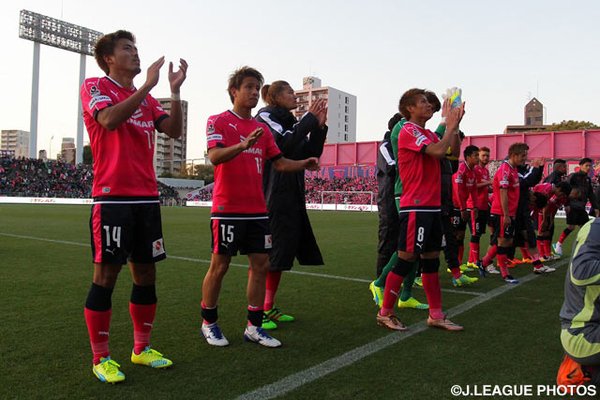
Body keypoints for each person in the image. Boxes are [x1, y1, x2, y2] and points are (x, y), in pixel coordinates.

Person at [80, 30, 188, 383]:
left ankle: (141, 350)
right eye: (128, 49)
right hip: (112, 198)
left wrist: (172, 91)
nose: (136, 54)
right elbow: (108, 120)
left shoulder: (150, 99)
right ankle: (101, 358)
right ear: (109, 58)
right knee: (106, 276)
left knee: (146, 274)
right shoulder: (95, 85)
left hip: (146, 198)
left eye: (137, 48)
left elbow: (172, 131)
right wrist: (146, 88)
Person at [200, 67, 319, 348]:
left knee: (261, 265)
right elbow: (215, 156)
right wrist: (242, 146)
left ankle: (254, 327)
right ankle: (209, 322)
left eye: (257, 88)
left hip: (257, 209)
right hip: (227, 208)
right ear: (234, 91)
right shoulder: (218, 121)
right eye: (250, 87)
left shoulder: (262, 129)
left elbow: (278, 162)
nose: (254, 93)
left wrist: (303, 163)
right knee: (220, 265)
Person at [376, 88, 464, 331]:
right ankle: (385, 312)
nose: (429, 106)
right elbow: (437, 151)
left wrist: (453, 127)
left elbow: (452, 153)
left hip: (432, 206)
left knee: (431, 260)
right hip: (415, 206)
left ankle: (436, 314)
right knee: (406, 258)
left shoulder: (426, 133)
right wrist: (448, 125)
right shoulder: (407, 129)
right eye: (423, 102)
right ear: (409, 109)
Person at [255, 80, 328, 330]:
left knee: (282, 254)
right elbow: (282, 145)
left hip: (292, 193)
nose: (294, 96)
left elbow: (310, 151)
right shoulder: (265, 116)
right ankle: (257, 312)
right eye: (289, 92)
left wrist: (319, 126)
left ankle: (268, 306)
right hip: (272, 194)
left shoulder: (290, 123)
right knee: (268, 256)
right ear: (274, 97)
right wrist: (308, 118)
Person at [557, 217, 600, 387]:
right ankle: (587, 370)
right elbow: (581, 273)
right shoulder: (596, 227)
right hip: (583, 332)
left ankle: (589, 368)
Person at [482, 143, 529, 283]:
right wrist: (506, 215)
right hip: (501, 213)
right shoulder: (505, 170)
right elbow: (503, 193)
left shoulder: (513, 169)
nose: (525, 159)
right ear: (514, 155)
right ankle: (505, 273)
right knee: (503, 242)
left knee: (506, 241)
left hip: (510, 212)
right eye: (523, 156)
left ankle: (483, 262)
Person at [374, 113, 404, 277]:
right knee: (388, 238)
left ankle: (399, 276)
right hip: (389, 199)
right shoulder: (385, 146)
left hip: (403, 197)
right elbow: (392, 167)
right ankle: (380, 280)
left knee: (404, 240)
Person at [554, 158, 600, 256]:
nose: (588, 168)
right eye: (586, 165)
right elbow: (564, 188)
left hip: (581, 207)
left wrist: (596, 207)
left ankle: (585, 248)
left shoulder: (587, 179)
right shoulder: (573, 176)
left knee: (585, 228)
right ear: (580, 166)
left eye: (590, 166)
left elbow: (591, 194)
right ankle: (558, 244)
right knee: (571, 227)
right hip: (572, 206)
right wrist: (566, 204)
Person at [468, 146, 493, 272]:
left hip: (484, 205)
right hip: (475, 205)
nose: (486, 158)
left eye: (487, 156)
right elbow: (474, 185)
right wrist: (489, 183)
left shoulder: (486, 171)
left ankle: (470, 260)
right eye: (483, 155)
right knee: (475, 233)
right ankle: (475, 261)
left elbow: (485, 187)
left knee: (479, 233)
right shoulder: (475, 169)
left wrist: (492, 187)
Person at [534, 181, 572, 260]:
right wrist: (544, 220)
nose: (562, 196)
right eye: (562, 194)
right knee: (541, 232)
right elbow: (545, 206)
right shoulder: (548, 191)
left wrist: (551, 220)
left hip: (546, 212)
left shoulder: (558, 197)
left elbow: (553, 209)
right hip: (540, 212)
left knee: (547, 232)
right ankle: (541, 255)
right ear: (559, 189)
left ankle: (547, 254)